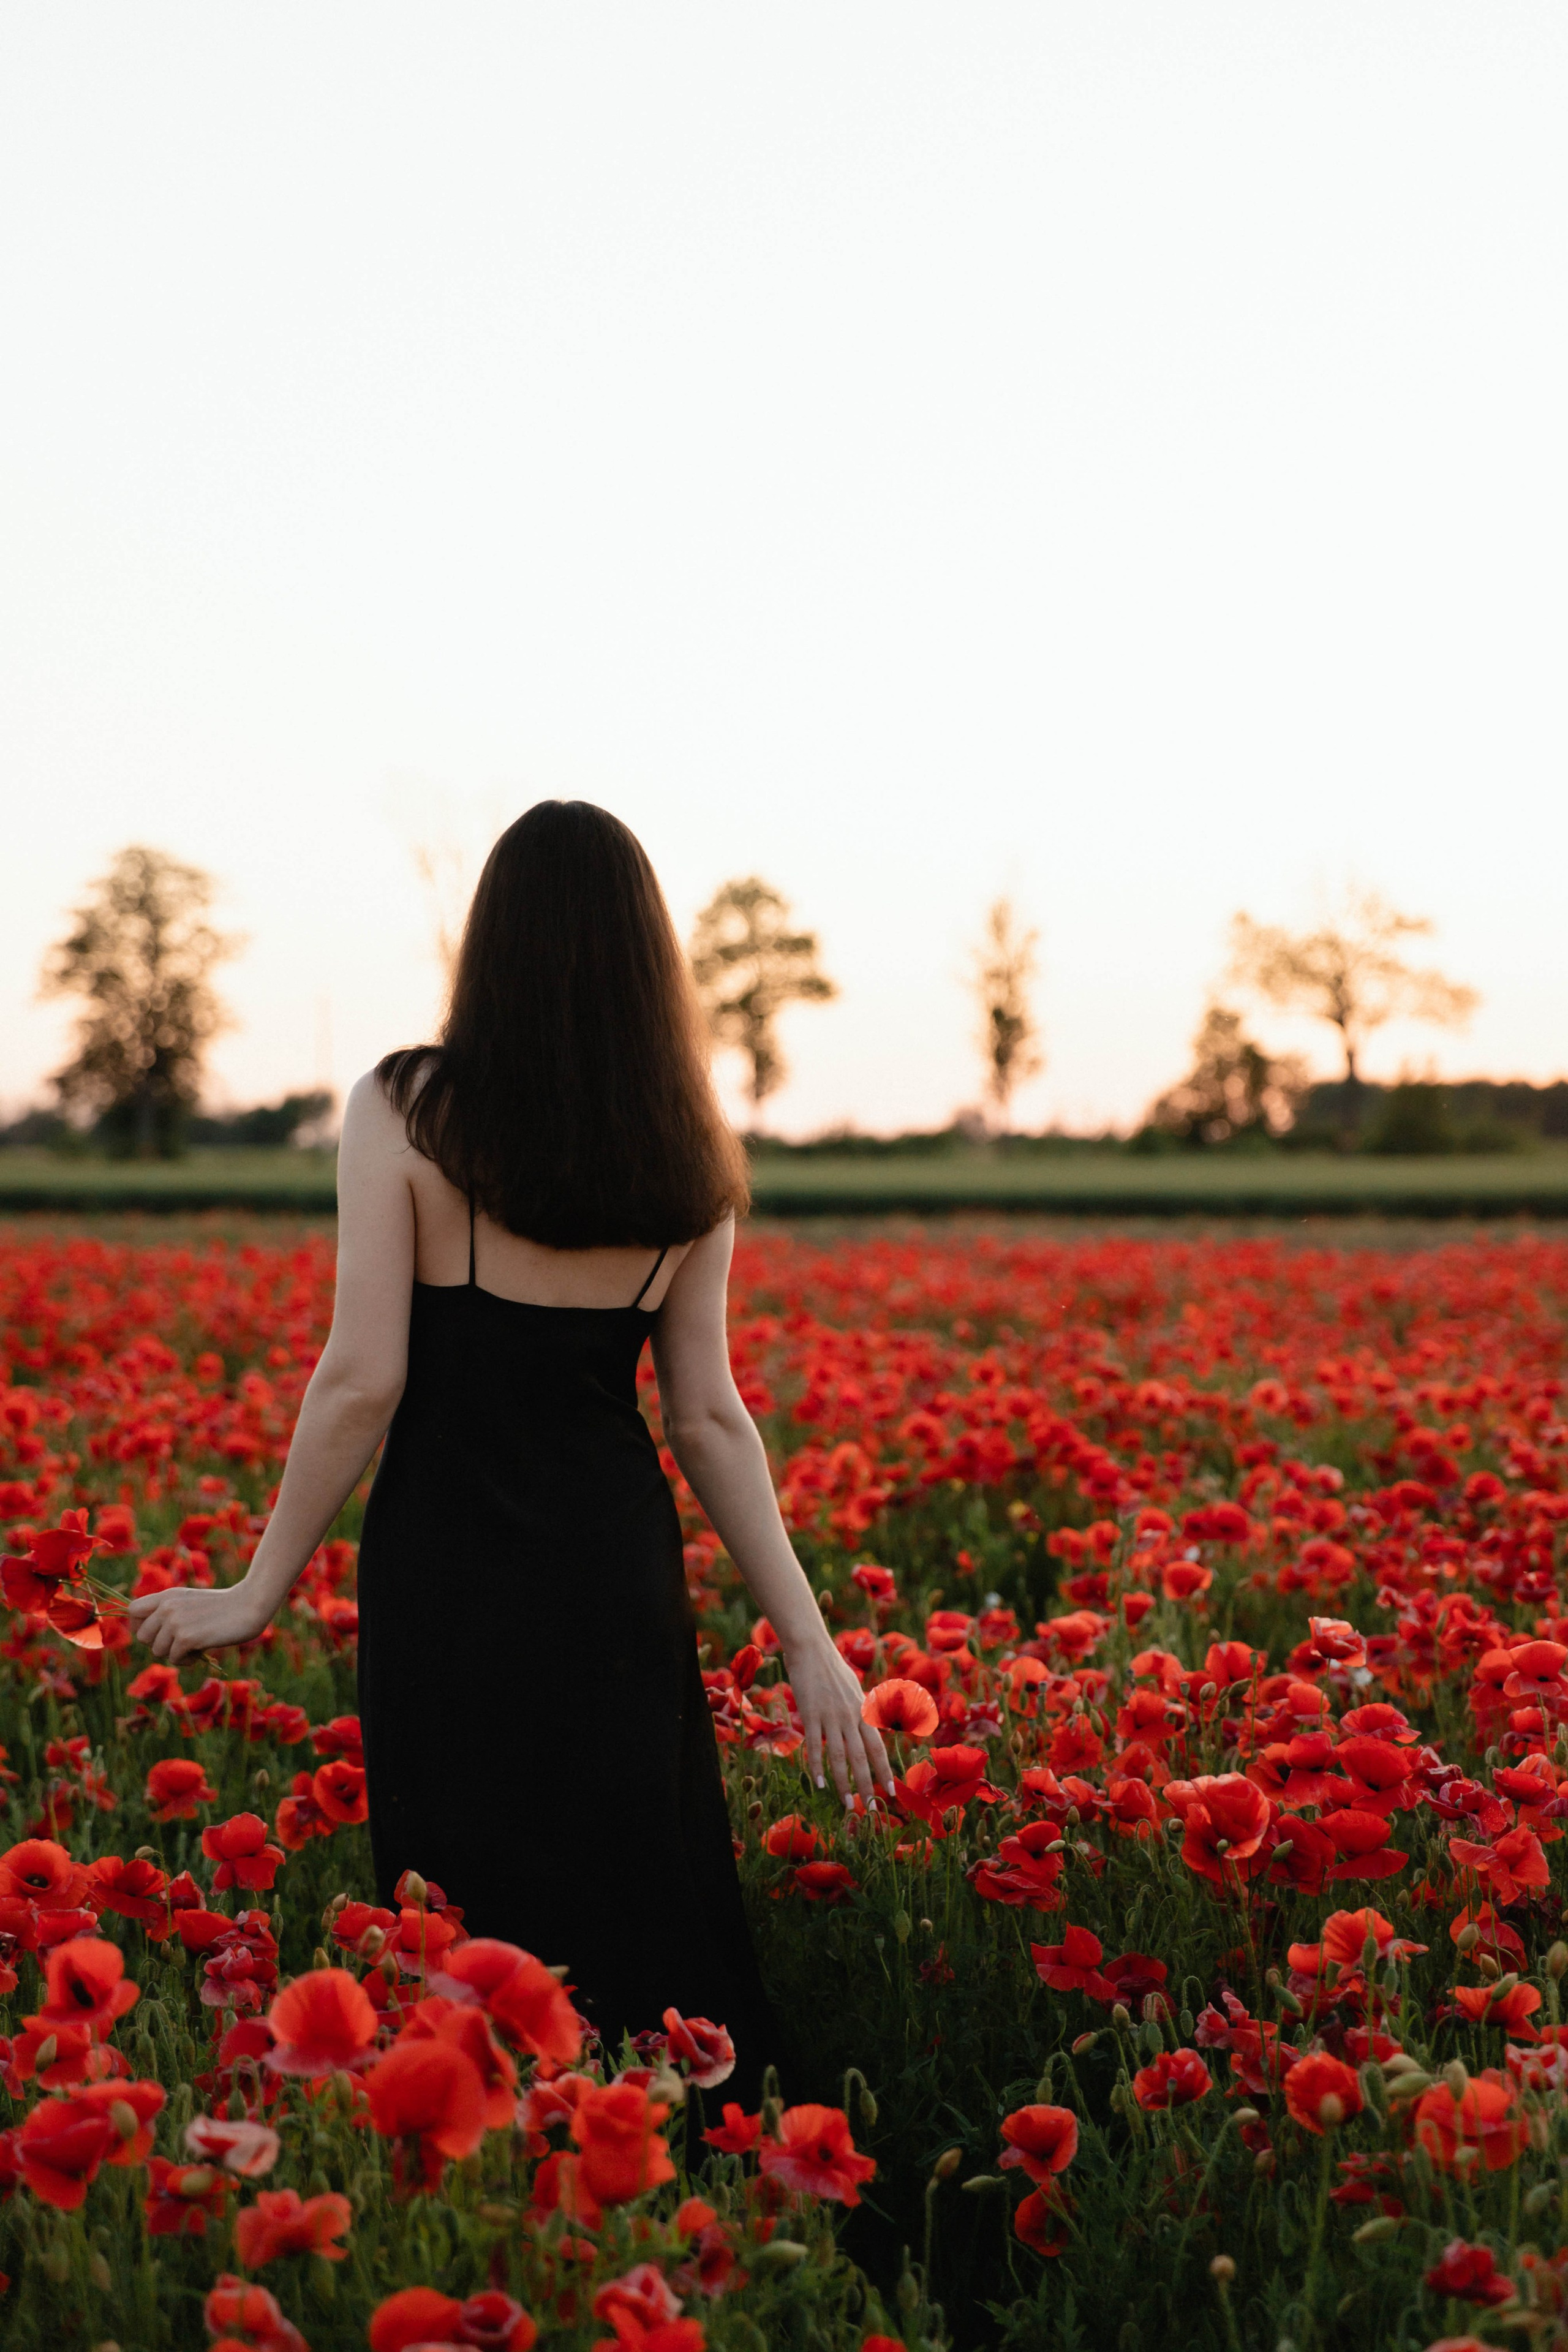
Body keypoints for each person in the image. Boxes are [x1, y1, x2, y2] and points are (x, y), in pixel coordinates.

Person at [129, 799, 891, 2094]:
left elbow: (365, 1378)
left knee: (461, 1907)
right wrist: (811, 1644)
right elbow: (705, 1416)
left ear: (493, 942)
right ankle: (683, 2175)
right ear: (653, 959)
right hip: (613, 1573)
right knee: (639, 1888)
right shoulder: (690, 1147)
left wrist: (260, 1589)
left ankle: (499, 2179)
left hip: (451, 1568)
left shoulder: (408, 1107)